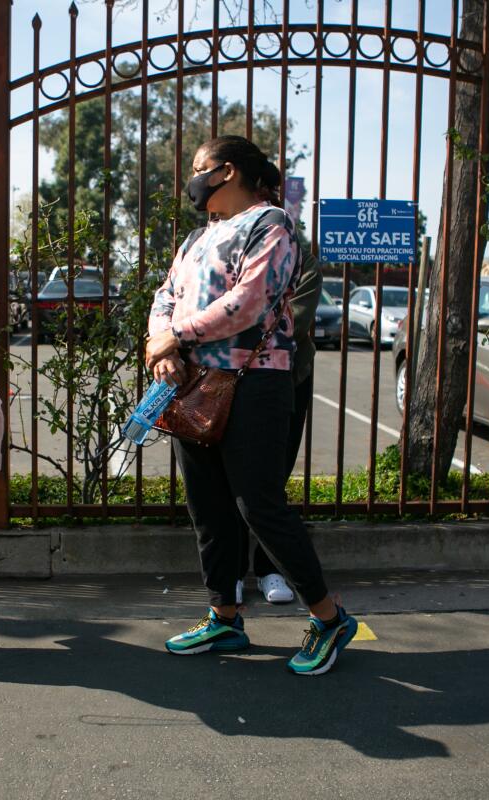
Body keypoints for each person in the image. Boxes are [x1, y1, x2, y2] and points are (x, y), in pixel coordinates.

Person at [145, 135, 358, 675]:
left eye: (199, 169)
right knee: (208, 509)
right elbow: (164, 296)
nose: (191, 180)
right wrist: (161, 347)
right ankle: (224, 617)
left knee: (257, 505)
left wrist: (178, 337)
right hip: (193, 381)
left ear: (228, 172)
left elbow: (249, 301)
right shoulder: (199, 236)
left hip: (256, 383)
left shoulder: (273, 226)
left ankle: (330, 618)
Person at [236, 247, 321, 605]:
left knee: (273, 475)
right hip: (228, 378)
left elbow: (294, 319)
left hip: (287, 378)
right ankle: (232, 571)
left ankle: (269, 568)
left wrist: (229, 328)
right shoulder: (225, 248)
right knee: (229, 479)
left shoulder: (301, 256)